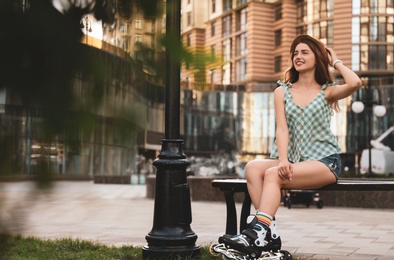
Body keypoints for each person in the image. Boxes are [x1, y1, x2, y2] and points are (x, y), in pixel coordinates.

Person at [219, 34, 362, 257]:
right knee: (253, 168)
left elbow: (355, 83)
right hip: (294, 160)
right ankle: (268, 233)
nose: (298, 56)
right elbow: (282, 129)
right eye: (295, 53)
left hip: (324, 162)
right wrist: (283, 159)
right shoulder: (281, 91)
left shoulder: (328, 91)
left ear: (317, 57)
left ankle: (256, 233)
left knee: (273, 174)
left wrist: (335, 61)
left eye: (305, 52)